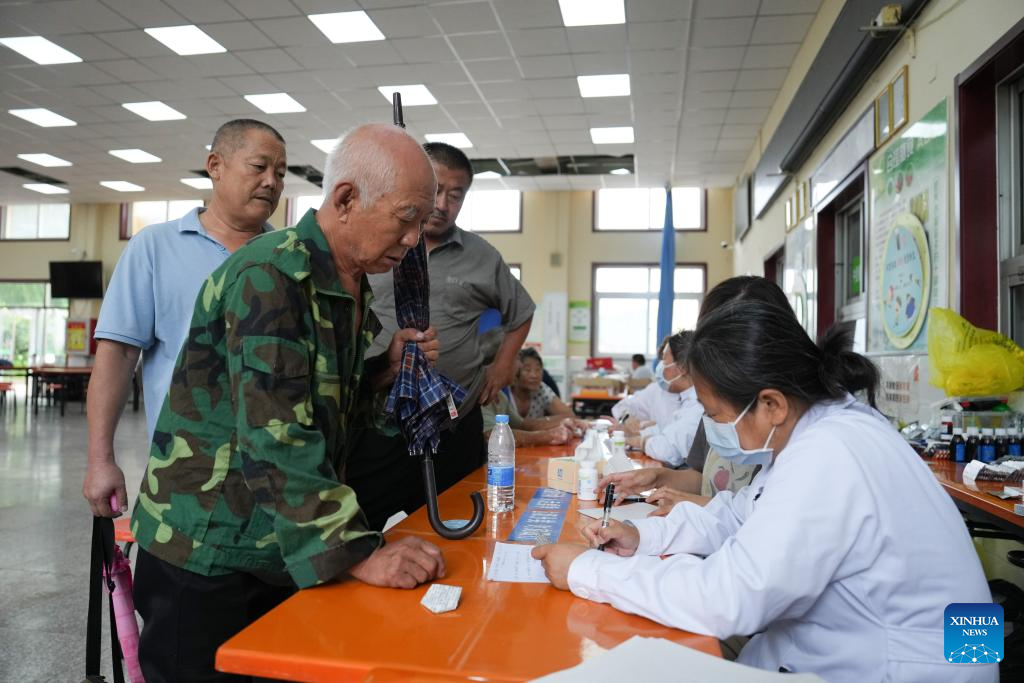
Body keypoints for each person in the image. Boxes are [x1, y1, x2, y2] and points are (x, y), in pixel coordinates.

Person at [130, 124, 447, 682]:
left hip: (274, 541)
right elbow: (275, 433)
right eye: (407, 217)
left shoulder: (344, 283)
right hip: (208, 549)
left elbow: (320, 405)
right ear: (345, 200)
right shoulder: (272, 276)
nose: (414, 237)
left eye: (422, 222)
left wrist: (383, 373)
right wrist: (357, 553)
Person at [533, 298, 994, 682]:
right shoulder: (826, 426)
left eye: (715, 415)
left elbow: (728, 598)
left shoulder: (830, 452)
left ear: (771, 404)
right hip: (885, 642)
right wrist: (644, 537)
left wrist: (588, 570)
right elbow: (743, 512)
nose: (714, 427)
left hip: (923, 663)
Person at [83, 119, 286, 518]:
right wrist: (100, 459)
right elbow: (118, 356)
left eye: (280, 173)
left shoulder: (289, 257)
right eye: (259, 167)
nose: (271, 182)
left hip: (277, 482)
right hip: (184, 484)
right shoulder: (155, 247)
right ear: (215, 166)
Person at [349, 143, 535, 529]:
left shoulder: (481, 256)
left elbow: (522, 312)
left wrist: (504, 365)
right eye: (435, 190)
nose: (442, 204)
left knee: (457, 524)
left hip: (454, 422)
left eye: (455, 195)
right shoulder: (374, 242)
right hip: (379, 419)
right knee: (360, 526)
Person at [602, 277, 793, 510]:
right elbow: (701, 476)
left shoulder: (793, 436)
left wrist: (694, 503)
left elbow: (753, 515)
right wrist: (658, 477)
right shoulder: (714, 402)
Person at [624, 331, 703, 467]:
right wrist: (636, 433)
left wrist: (641, 441)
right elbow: (667, 431)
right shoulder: (686, 398)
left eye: (665, 361)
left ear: (683, 368)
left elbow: (668, 450)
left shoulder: (698, 403)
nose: (661, 368)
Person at [481, 358, 589, 446]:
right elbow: (492, 436)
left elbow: (523, 425)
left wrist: (561, 422)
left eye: (538, 370)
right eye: (516, 358)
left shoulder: (500, 396)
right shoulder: (481, 395)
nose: (519, 364)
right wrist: (548, 436)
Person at [608, 337, 682, 435]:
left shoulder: (694, 397)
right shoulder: (656, 390)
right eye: (661, 360)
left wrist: (647, 427)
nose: (661, 366)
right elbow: (622, 406)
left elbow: (677, 435)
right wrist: (627, 418)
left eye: (665, 361)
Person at [511, 347, 574, 419]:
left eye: (538, 370)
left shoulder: (541, 389)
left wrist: (545, 420)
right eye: (528, 370)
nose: (534, 375)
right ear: (515, 371)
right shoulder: (507, 392)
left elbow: (569, 416)